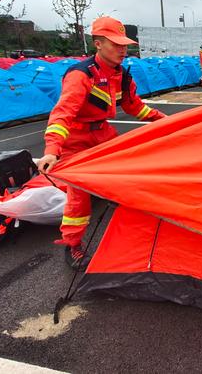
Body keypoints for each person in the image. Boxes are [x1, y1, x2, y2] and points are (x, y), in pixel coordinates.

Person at [37, 16, 167, 269]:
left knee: (128, 168)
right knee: (79, 194)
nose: (123, 50)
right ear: (97, 44)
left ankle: (127, 221)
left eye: (124, 44)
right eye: (115, 44)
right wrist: (52, 150)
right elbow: (63, 114)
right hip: (76, 138)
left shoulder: (122, 74)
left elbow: (134, 106)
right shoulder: (81, 75)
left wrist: (164, 121)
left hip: (102, 133)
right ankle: (73, 244)